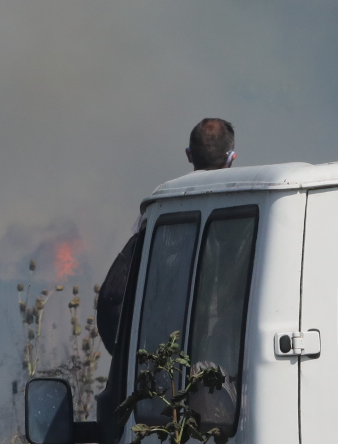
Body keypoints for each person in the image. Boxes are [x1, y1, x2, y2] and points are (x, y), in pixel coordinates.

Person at [95, 118, 238, 354]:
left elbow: (115, 296)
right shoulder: (248, 203)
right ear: (232, 157)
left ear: (189, 155)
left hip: (171, 351)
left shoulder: (163, 206)